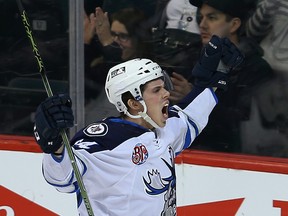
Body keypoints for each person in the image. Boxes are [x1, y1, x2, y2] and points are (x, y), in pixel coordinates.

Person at [33, 35, 243, 215]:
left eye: (163, 87)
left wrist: (211, 79)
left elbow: (190, 116)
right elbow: (64, 178)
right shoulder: (105, 140)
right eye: (156, 90)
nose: (166, 94)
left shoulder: (165, 129)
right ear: (133, 103)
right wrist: (54, 146)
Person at [181, 0, 275, 153]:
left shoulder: (256, 70)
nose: (202, 24)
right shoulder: (191, 59)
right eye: (201, 17)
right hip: (187, 156)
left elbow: (244, 126)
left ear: (234, 25)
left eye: (211, 18)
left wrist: (195, 98)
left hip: (230, 163)